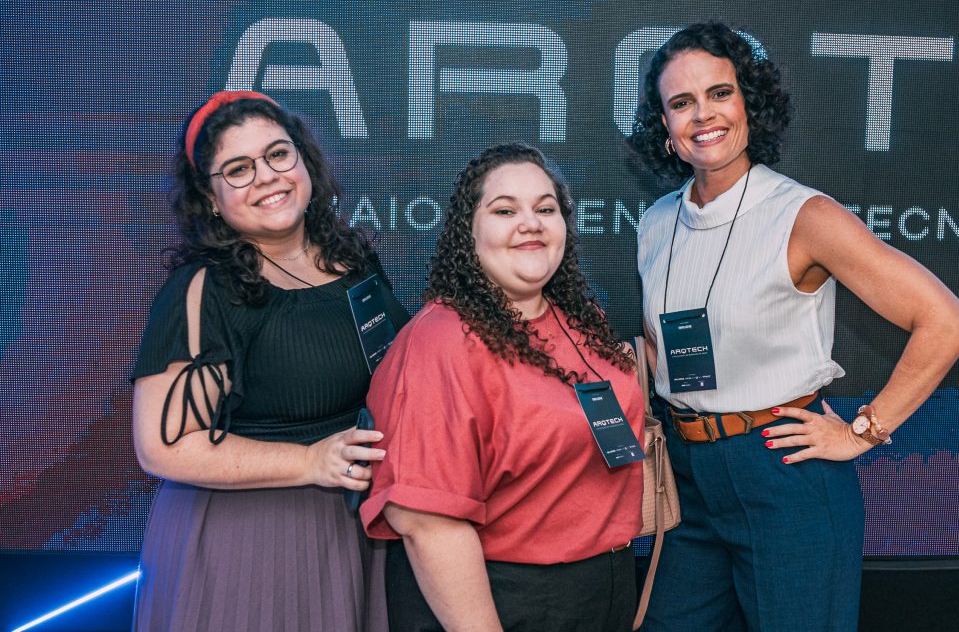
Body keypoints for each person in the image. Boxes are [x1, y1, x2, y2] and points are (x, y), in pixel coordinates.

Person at [630, 22, 959, 631]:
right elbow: (661, 345)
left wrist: (863, 431)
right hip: (689, 482)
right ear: (664, 125)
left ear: (749, 103)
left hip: (784, 475)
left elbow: (946, 321)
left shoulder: (805, 215)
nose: (702, 115)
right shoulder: (657, 221)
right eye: (680, 103)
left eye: (720, 93)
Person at [131, 90, 408, 631]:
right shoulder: (204, 291)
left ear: (303, 159)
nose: (267, 176)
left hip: (356, 526)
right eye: (238, 169)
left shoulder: (353, 261)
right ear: (210, 197)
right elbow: (165, 447)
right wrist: (308, 462)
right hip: (251, 542)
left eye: (278, 154)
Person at [360, 142, 645, 631]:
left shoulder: (582, 321)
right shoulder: (441, 341)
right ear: (468, 234)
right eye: (505, 210)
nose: (530, 222)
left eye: (545, 208)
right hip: (507, 598)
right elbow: (427, 523)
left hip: (606, 587)